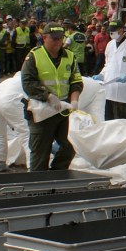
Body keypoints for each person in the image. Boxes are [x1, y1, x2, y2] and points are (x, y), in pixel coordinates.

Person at [21, 23, 82, 172]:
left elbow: (76, 81)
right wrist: (47, 96)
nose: (58, 42)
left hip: (61, 110)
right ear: (45, 37)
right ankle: (37, 186)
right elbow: (28, 82)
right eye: (54, 39)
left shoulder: (69, 56)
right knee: (40, 151)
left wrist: (74, 100)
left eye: (61, 39)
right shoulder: (34, 56)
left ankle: (56, 175)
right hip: (41, 111)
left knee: (69, 146)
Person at [93, 21, 126, 120]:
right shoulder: (110, 45)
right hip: (108, 90)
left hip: (122, 93)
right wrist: (101, 75)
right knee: (107, 120)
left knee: (121, 122)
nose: (111, 33)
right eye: (110, 31)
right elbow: (108, 65)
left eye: (113, 31)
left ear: (121, 30)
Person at [0, 73, 30, 173]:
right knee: (26, 133)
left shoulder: (9, 81)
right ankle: (33, 166)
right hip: (10, 100)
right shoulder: (27, 81)